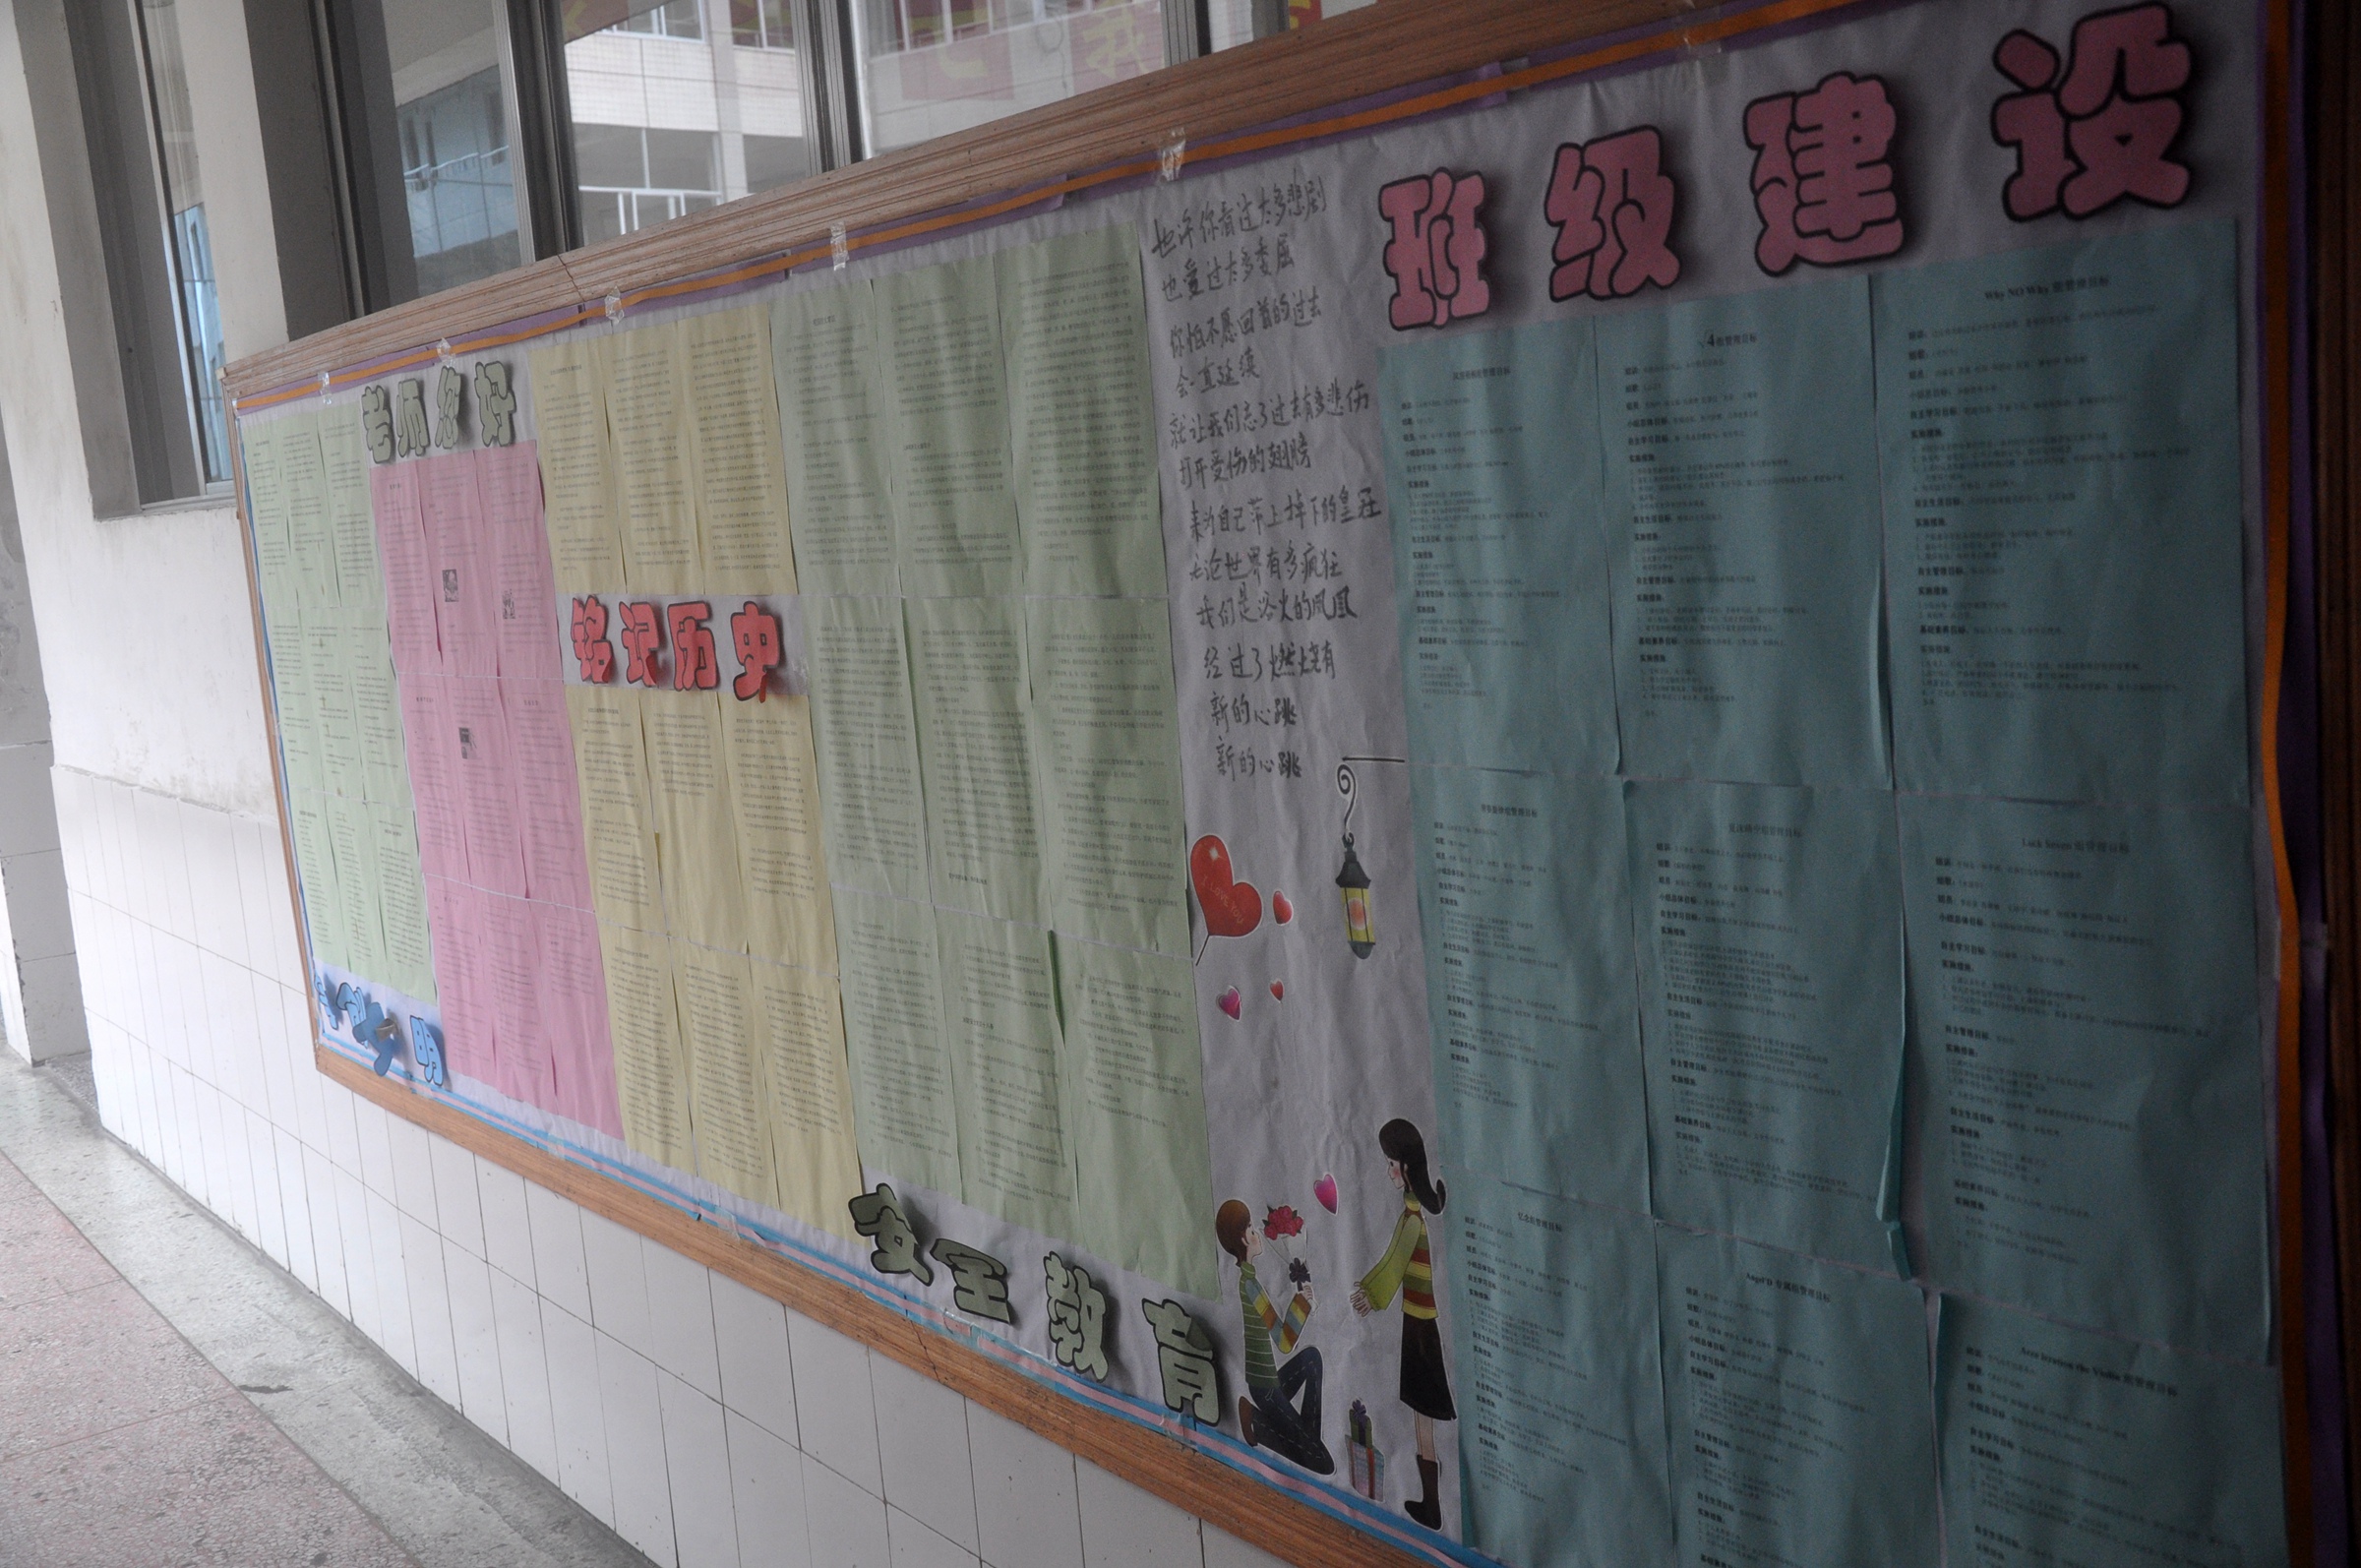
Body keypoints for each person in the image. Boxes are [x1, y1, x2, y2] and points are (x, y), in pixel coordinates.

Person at [1351, 1118, 1455, 1530]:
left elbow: (1394, 1264)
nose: (1389, 1171)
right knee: (1419, 1413)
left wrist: (1372, 1295)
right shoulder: (1409, 1214)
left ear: (1408, 1168)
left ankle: (1434, 1506)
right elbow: (1390, 1260)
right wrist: (1368, 1286)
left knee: (1423, 1412)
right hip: (1417, 1321)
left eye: (1392, 1163)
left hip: (1421, 1326)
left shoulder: (1413, 1221)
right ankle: (1431, 1504)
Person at [1215, 1199, 1334, 1475]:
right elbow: (1283, 1341)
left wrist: (1301, 1301)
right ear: (1243, 1239)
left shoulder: (1249, 1281)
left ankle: (1308, 1442)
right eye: (1251, 1228)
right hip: (1264, 1388)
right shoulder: (1250, 1286)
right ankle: (1257, 1425)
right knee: (1323, 1464)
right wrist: (1301, 1304)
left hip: (1268, 1380)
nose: (1257, 1232)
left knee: (1312, 1359)